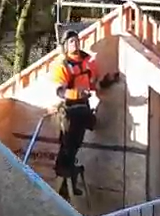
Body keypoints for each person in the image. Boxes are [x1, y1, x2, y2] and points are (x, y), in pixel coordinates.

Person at [50, 30, 119, 189]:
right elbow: (60, 91)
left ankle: (69, 168)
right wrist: (77, 93)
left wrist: (107, 81)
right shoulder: (63, 65)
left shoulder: (88, 62)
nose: (75, 44)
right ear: (65, 46)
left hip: (84, 105)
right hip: (71, 106)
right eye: (71, 42)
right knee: (69, 139)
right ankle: (63, 167)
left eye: (76, 40)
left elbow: (94, 84)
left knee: (78, 139)